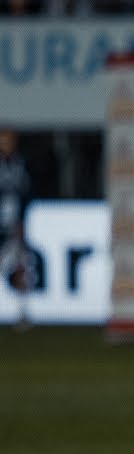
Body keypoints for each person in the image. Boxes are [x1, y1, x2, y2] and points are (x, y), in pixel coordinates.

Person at [0, 127, 34, 327]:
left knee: (21, 268)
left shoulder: (20, 164)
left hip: (13, 226)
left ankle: (23, 312)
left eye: (8, 139)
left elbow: (25, 195)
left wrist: (21, 223)